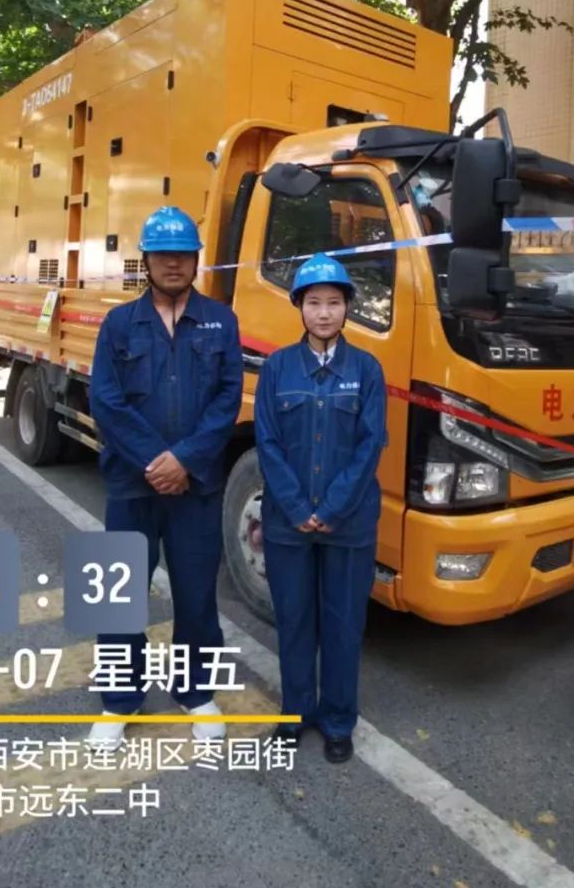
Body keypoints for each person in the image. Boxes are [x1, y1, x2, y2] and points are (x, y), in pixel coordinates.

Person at [87, 206, 243, 748]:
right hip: (132, 483)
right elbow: (105, 401)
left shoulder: (221, 321)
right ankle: (118, 699)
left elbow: (227, 399)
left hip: (196, 486)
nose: (173, 263)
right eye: (162, 255)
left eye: (182, 254)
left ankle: (196, 691)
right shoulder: (119, 324)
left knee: (196, 592)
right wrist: (157, 461)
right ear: (146, 261)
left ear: (196, 260)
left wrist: (186, 461)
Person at [254, 253, 387, 764]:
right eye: (314, 302)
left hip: (348, 526)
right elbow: (267, 442)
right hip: (288, 526)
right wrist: (295, 507)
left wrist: (331, 509)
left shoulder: (367, 370)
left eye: (334, 302)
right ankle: (295, 714)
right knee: (294, 622)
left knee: (343, 625)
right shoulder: (277, 368)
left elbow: (369, 446)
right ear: (299, 307)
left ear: (348, 307)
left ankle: (337, 721)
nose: (324, 313)